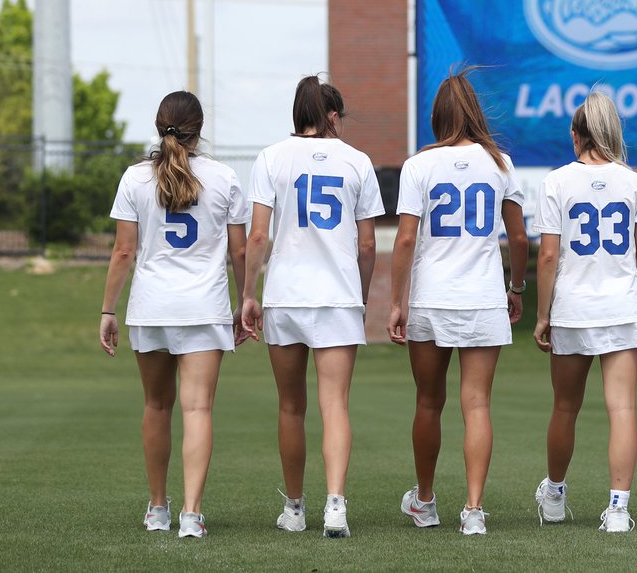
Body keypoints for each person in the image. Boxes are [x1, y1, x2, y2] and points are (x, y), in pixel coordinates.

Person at [99, 91, 249, 539]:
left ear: (159, 124)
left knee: (156, 406)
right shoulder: (224, 177)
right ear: (200, 128)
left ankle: (157, 508)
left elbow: (124, 250)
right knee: (198, 408)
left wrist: (107, 309)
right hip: (204, 309)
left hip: (151, 309)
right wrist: (245, 303)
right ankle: (191, 513)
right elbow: (240, 250)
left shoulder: (134, 178)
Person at [239, 75, 384, 538]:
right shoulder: (358, 161)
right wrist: (359, 297)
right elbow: (366, 244)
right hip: (337, 298)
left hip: (285, 296)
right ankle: (336, 506)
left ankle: (296, 509)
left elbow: (257, 236)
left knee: (290, 407)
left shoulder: (270, 157)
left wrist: (248, 294)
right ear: (333, 117)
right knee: (335, 404)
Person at [389, 71, 529, 536]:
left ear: (437, 116)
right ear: (475, 112)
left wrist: (397, 301)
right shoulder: (500, 163)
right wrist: (518, 286)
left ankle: (425, 501)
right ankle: (473, 510)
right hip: (483, 296)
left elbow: (406, 239)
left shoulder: (419, 165)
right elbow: (519, 236)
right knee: (477, 404)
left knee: (429, 402)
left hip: (431, 297)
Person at [532, 92, 637, 533]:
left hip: (573, 307)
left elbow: (548, 258)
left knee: (565, 408)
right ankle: (619, 509)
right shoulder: (635, 183)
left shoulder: (556, 181)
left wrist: (542, 315)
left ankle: (555, 495)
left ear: (576, 134)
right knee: (622, 408)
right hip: (621, 307)